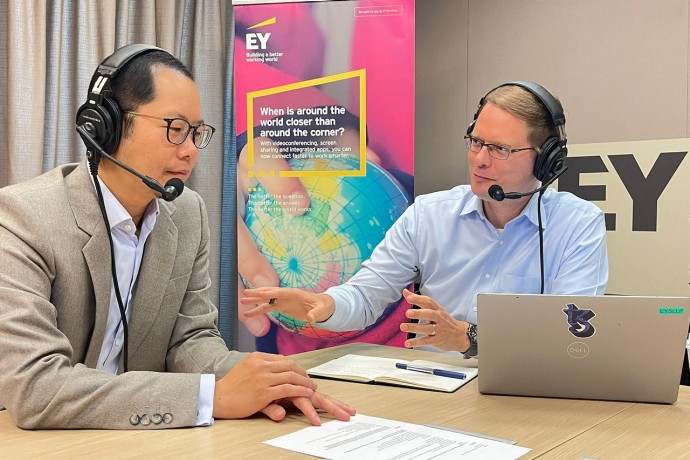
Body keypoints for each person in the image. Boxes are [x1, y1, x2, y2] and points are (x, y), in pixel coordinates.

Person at [0, 44, 354, 430]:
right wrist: (212, 398)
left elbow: (190, 340)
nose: (189, 152)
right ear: (106, 127)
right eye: (175, 129)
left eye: (196, 133)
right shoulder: (22, 218)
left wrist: (268, 382)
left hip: (145, 440)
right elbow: (35, 386)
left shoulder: (187, 213)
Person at [243, 81, 609, 356]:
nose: (480, 160)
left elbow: (571, 335)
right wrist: (323, 306)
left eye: (499, 149)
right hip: (432, 392)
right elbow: (366, 296)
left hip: (525, 395)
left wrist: (468, 337)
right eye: (476, 142)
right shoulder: (428, 215)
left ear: (546, 160)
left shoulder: (577, 225)